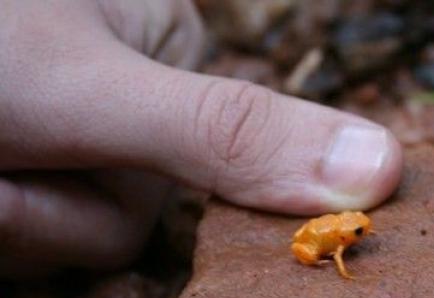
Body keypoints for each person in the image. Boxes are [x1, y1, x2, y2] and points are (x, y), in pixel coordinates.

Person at [0, 0, 403, 278]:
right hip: (310, 244)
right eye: (357, 233)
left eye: (358, 231)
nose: (358, 235)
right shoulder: (336, 243)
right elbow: (334, 257)